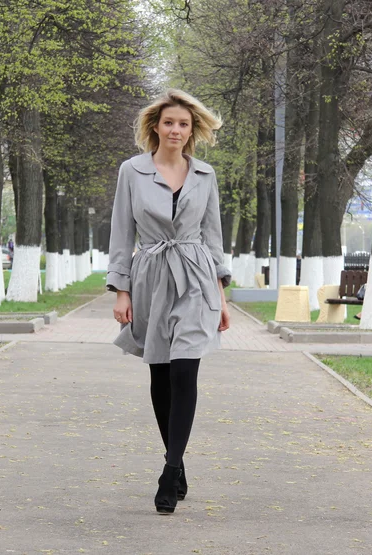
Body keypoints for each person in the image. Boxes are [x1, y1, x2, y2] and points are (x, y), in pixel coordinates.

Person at [106, 89, 231, 514]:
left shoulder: (205, 175)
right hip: (151, 279)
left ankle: (168, 469)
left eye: (184, 124)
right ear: (155, 128)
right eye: (169, 123)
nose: (176, 130)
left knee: (184, 372)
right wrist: (121, 290)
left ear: (192, 130)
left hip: (196, 278)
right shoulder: (132, 171)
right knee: (160, 376)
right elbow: (122, 231)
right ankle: (177, 465)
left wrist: (221, 295)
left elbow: (213, 237)